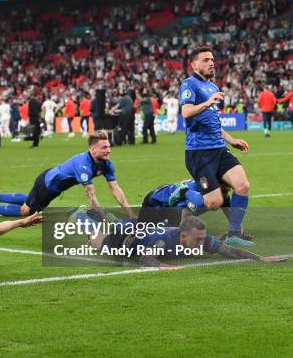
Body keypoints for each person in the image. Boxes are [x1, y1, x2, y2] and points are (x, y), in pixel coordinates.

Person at [179, 45, 252, 241]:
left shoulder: (213, 87)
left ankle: (234, 233)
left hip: (219, 149)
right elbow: (186, 112)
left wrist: (232, 140)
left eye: (212, 59)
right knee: (214, 202)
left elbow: (213, 124)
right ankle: (186, 202)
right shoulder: (189, 84)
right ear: (193, 64)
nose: (211, 63)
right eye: (205, 60)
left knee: (242, 185)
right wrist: (207, 102)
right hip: (199, 153)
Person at [0, 130, 133, 217]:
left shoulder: (107, 164)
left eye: (109, 146)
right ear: (93, 149)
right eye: (104, 147)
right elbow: (91, 195)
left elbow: (115, 189)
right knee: (26, 212)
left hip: (50, 181)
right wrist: (102, 218)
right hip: (47, 186)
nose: (109, 150)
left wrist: (130, 214)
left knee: (30, 201)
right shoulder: (83, 165)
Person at [82, 214, 286, 268]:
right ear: (183, 236)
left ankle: (109, 218)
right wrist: (164, 266)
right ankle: (83, 217)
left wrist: (261, 258)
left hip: (140, 228)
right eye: (197, 240)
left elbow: (229, 250)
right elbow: (146, 259)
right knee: (98, 242)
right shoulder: (163, 241)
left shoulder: (200, 240)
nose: (202, 244)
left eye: (202, 238)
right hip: (122, 239)